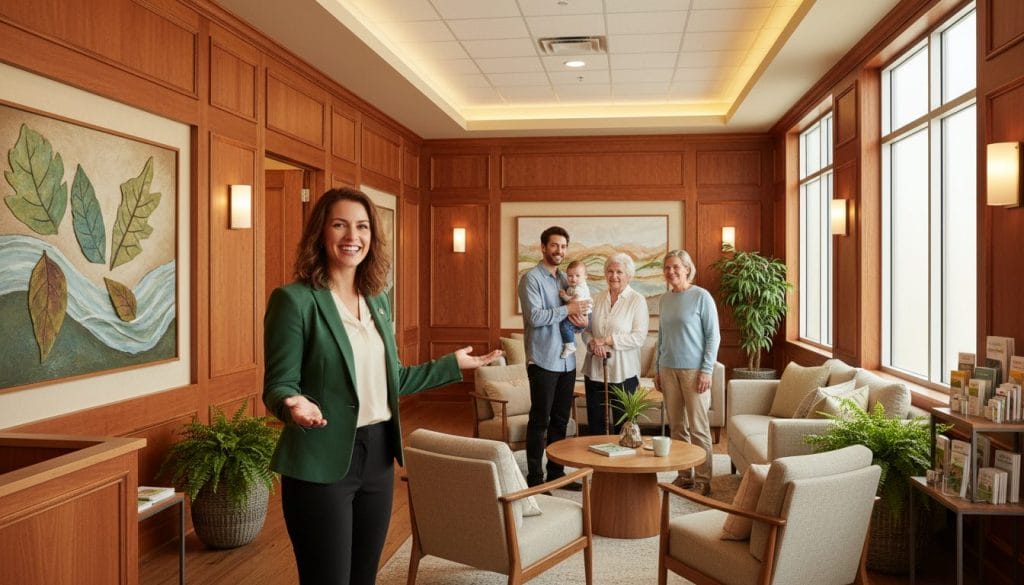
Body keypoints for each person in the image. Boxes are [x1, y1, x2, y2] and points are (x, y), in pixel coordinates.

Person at [263, 187, 501, 585]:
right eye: (339, 225)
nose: (351, 236)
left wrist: (452, 365)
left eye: (361, 227)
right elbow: (278, 382)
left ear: (372, 237)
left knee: (363, 579)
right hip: (321, 459)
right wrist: (293, 402)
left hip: (377, 458)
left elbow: (395, 378)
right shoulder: (295, 300)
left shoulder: (378, 299)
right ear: (321, 232)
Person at [518, 226, 590, 489]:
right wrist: (567, 308)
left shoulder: (565, 279)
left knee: (561, 420)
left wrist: (581, 322)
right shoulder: (531, 279)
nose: (559, 251)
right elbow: (535, 318)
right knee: (540, 421)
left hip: (567, 363)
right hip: (543, 360)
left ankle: (556, 474)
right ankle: (535, 479)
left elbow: (577, 317)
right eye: (554, 246)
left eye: (563, 247)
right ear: (543, 247)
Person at [654, 249, 721, 496]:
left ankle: (703, 480)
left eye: (675, 267)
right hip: (668, 369)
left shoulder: (701, 296)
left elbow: (713, 337)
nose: (671, 271)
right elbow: (662, 337)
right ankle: (685, 476)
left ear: (687, 269)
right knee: (677, 427)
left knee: (699, 428)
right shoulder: (665, 299)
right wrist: (658, 368)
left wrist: (706, 370)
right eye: (667, 268)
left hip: (694, 372)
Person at [581, 253, 650, 434]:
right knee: (596, 427)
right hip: (595, 371)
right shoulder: (596, 299)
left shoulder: (637, 300)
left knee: (625, 427)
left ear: (628, 275)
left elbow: (639, 337)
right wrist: (592, 344)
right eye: (610, 271)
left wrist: (607, 340)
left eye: (619, 271)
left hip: (624, 374)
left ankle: (626, 462)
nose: (614, 276)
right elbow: (586, 331)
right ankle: (596, 462)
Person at [558, 260, 591, 359]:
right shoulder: (573, 287)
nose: (573, 279)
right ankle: (569, 341)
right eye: (570, 276)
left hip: (583, 315)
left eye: (577, 276)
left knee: (564, 325)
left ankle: (570, 345)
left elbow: (574, 301)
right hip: (581, 314)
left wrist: (564, 297)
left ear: (585, 276)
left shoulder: (580, 288)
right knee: (566, 326)